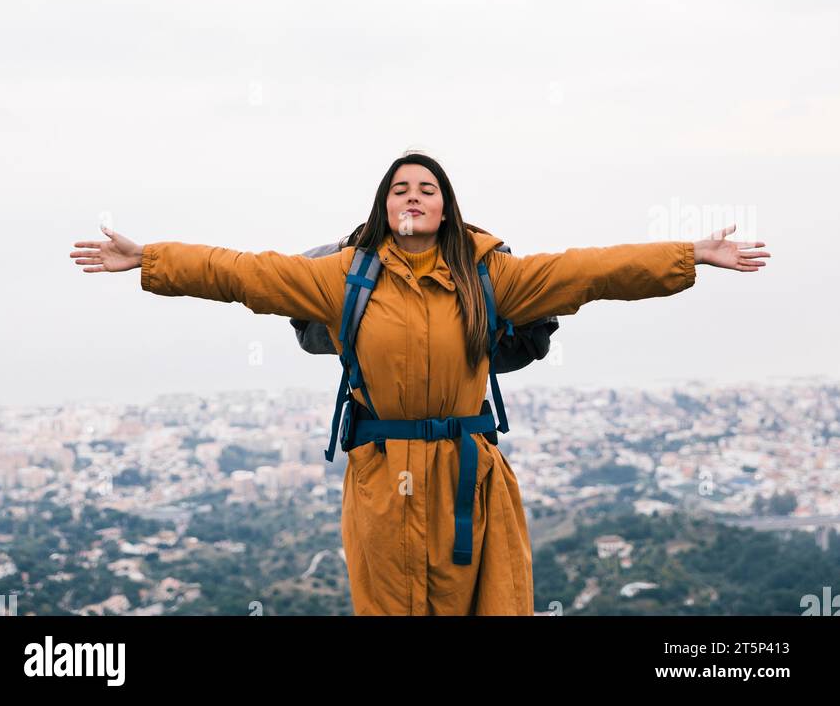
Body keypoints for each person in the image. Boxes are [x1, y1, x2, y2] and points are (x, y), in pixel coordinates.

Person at [69, 152, 770, 616]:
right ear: (384, 207)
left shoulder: (490, 275)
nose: (413, 196)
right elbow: (242, 272)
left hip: (470, 474)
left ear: (446, 209)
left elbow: (589, 271)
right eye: (400, 188)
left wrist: (691, 254)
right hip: (381, 477)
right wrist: (150, 259)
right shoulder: (341, 276)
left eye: (426, 188)